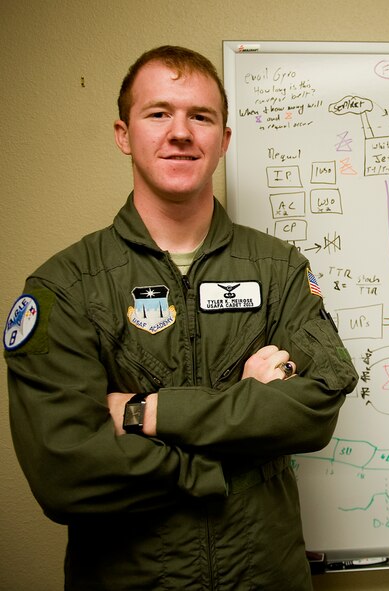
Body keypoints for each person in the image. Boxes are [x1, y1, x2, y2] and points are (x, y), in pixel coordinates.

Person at [4, 45, 358, 590]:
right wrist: (215, 463)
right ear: (124, 134)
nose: (181, 132)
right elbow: (64, 473)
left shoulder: (277, 268)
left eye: (201, 116)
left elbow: (315, 408)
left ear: (223, 139)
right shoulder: (65, 286)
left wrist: (144, 411)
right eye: (159, 113)